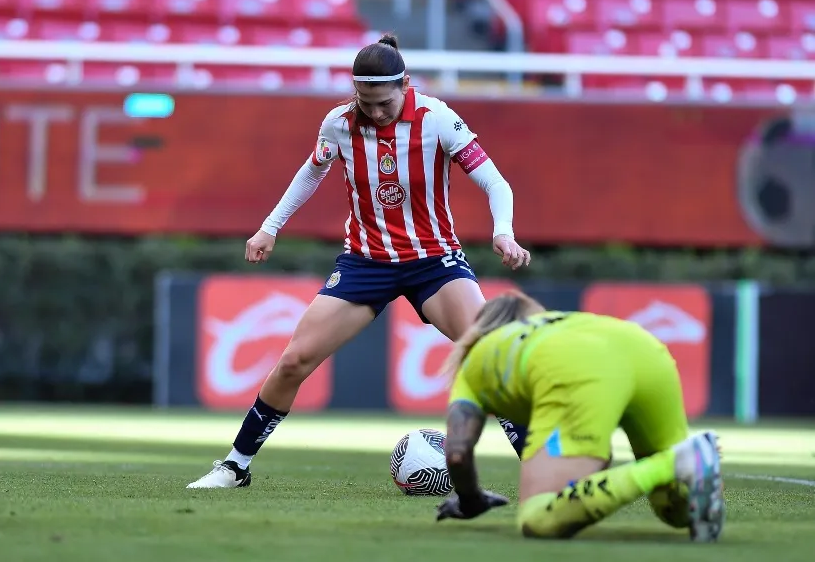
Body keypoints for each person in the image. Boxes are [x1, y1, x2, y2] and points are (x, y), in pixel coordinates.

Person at [186, 34, 532, 489]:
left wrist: (501, 230)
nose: (375, 112)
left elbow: (495, 182)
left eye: (384, 103)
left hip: (433, 261)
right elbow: (313, 170)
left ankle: (545, 470)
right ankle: (234, 466)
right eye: (365, 102)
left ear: (405, 84)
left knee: (489, 353)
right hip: (365, 262)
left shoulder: (437, 118)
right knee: (293, 362)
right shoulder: (338, 123)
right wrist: (271, 226)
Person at [434, 291, 726, 542]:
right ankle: (690, 461)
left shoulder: (478, 360)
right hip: (647, 350)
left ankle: (677, 461)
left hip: (577, 366)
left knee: (538, 519)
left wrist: (471, 500)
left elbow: (457, 454)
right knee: (675, 510)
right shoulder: (557, 322)